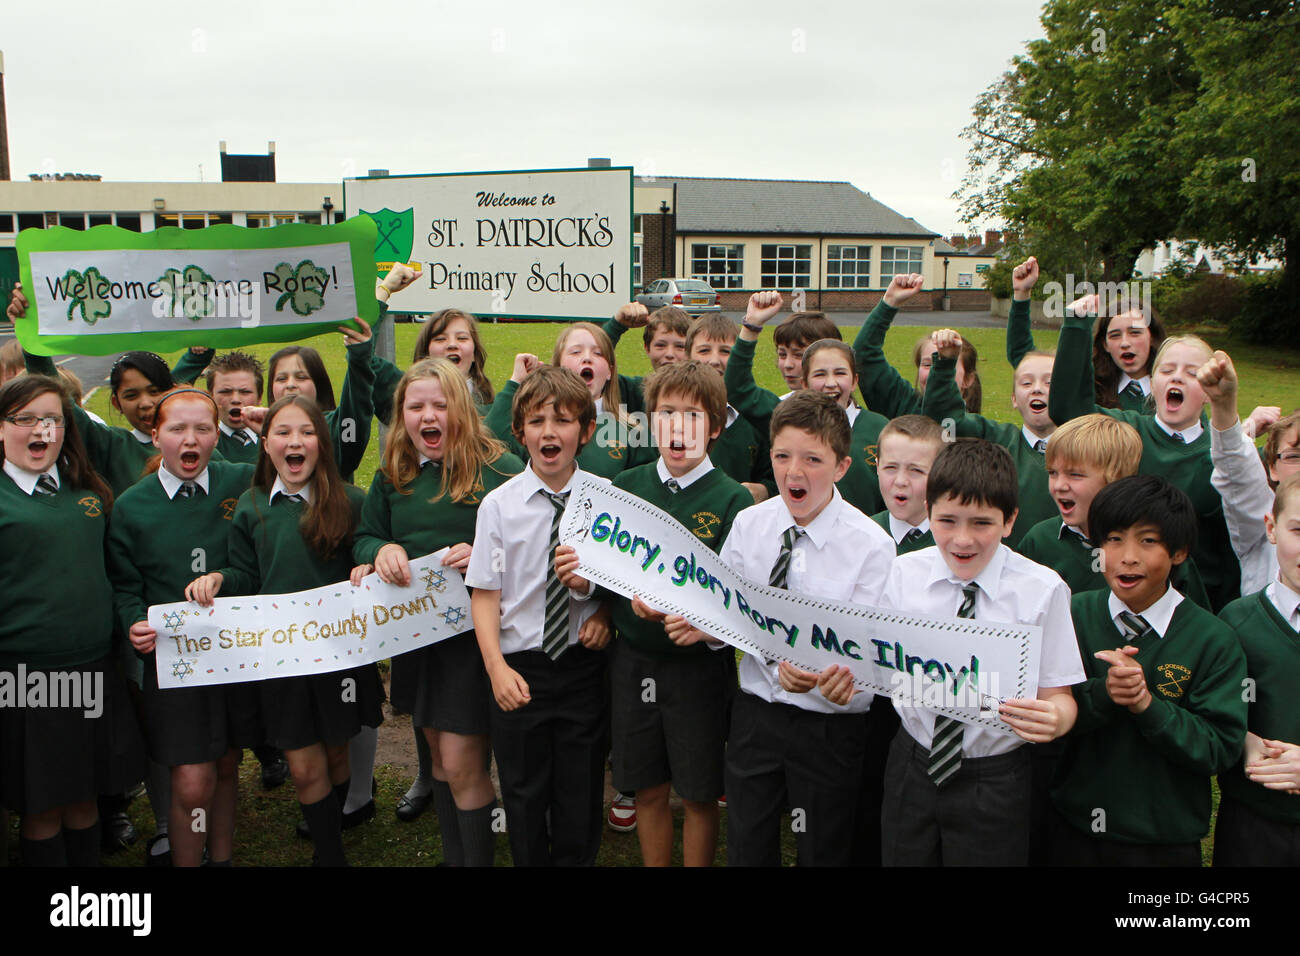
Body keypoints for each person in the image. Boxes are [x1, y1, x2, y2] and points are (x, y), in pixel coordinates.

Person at [185, 395, 385, 866]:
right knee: (302, 762)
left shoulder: (352, 502)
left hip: (341, 659)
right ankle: (330, 853)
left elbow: (370, 554)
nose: (295, 442)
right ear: (265, 443)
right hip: (282, 662)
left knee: (337, 754)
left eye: (307, 432)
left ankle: (337, 821)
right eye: (282, 433)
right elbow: (247, 576)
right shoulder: (252, 507)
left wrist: (368, 565)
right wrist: (220, 579)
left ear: (323, 443)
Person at [700, 391, 896, 865]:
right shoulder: (750, 525)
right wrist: (699, 622)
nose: (794, 472)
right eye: (782, 457)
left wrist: (827, 674)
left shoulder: (872, 545)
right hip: (757, 712)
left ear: (843, 466)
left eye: (812, 459)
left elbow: (871, 649)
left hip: (828, 727)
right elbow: (727, 610)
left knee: (824, 844)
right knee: (748, 840)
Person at [876, 438, 1083, 866]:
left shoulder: (1042, 592)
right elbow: (876, 663)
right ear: (928, 511)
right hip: (913, 760)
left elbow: (1059, 694)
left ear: (1010, 521)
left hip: (994, 776)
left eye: (982, 523)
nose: (962, 539)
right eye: (947, 520)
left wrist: (1057, 718)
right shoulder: (901, 575)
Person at [353, 358, 523, 865]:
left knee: (461, 763)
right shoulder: (393, 475)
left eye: (441, 405)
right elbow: (366, 536)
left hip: (475, 644)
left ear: (464, 410)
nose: (429, 415)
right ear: (402, 413)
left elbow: (533, 548)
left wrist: (486, 557)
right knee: (441, 762)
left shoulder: (501, 470)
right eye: (416, 405)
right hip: (415, 640)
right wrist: (379, 551)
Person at [599, 361, 753, 866]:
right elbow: (605, 570)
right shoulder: (625, 485)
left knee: (698, 794)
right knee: (646, 787)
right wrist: (615, 600)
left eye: (693, 416)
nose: (678, 427)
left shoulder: (732, 501)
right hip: (633, 664)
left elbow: (737, 602)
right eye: (667, 413)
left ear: (714, 426)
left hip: (698, 674)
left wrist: (703, 626)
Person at [1049, 475, 1247, 865]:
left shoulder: (1212, 639)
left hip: (1163, 840)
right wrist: (1105, 693)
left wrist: (1146, 704)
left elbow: (1218, 748)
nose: (1128, 556)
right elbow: (1049, 716)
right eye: (1114, 539)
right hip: (1073, 829)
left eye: (1148, 541)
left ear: (1179, 552)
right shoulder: (1072, 616)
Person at [466, 365, 613, 865]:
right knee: (524, 795)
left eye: (564, 420)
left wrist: (604, 612)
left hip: (581, 669)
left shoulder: (607, 502)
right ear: (520, 432)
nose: (549, 432)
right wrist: (496, 669)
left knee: (580, 794)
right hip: (519, 668)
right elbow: (484, 594)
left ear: (586, 431)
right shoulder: (499, 506)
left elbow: (625, 583)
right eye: (536, 421)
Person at [110, 388, 259, 866]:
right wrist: (134, 621)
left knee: (225, 762)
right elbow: (124, 583)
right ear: (156, 436)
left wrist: (224, 579)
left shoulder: (243, 482)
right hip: (174, 663)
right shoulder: (132, 507)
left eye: (203, 428)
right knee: (192, 781)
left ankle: (222, 857)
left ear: (218, 435)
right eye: (177, 429)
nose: (190, 439)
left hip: (232, 652)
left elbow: (252, 567)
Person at [0, 374, 145, 866]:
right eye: (25, 420)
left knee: (84, 799)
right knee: (43, 805)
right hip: (25, 678)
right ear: (1, 429)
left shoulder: (87, 490)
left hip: (93, 666)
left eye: (53, 420)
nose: (41, 429)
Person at [1049, 298, 1239, 611]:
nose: (1176, 377)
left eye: (1192, 373)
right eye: (1166, 370)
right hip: (1121, 596)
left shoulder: (1223, 454)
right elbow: (1069, 411)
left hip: (1192, 608)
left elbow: (1234, 548)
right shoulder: (1127, 430)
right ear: (1154, 380)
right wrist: (1076, 325)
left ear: (1209, 390)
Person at [1018, 414, 1212, 606]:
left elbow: (1193, 622)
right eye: (1052, 473)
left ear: (1117, 478)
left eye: (1075, 475)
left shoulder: (1158, 545)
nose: (1059, 485)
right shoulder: (1040, 541)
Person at [725, 291, 888, 515]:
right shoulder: (787, 416)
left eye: (839, 372)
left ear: (854, 379)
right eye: (820, 374)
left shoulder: (879, 428)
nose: (830, 383)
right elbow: (737, 388)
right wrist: (751, 325)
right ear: (806, 380)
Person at [1214, 472, 1300, 865]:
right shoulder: (1237, 622)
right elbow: (1210, 712)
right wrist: (1244, 741)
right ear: (1271, 528)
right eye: (1298, 530)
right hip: (1253, 824)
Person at [922, 327, 1056, 547]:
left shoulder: (1084, 447)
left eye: (1049, 382)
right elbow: (945, 419)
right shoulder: (997, 439)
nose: (1037, 389)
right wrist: (946, 363)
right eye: (1026, 383)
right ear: (1014, 398)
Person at [1201, 349, 1300, 596]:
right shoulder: (1259, 516)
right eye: (1294, 456)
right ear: (1272, 468)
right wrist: (1224, 406)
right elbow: (1236, 468)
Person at [485, 323, 641, 478]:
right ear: (558, 365)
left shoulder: (631, 430)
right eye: (575, 352)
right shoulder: (539, 426)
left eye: (598, 353)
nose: (587, 358)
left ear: (610, 371)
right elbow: (493, 432)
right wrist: (515, 382)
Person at [852, 274, 982, 418]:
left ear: (968, 379)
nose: (936, 372)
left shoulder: (975, 428)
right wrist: (890, 302)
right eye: (927, 364)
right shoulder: (904, 405)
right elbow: (864, 355)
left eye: (947, 365)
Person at [685, 313, 774, 502]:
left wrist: (766, 490)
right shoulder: (668, 415)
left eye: (726, 352)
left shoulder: (755, 416)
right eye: (704, 351)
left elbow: (776, 471)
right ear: (687, 356)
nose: (714, 360)